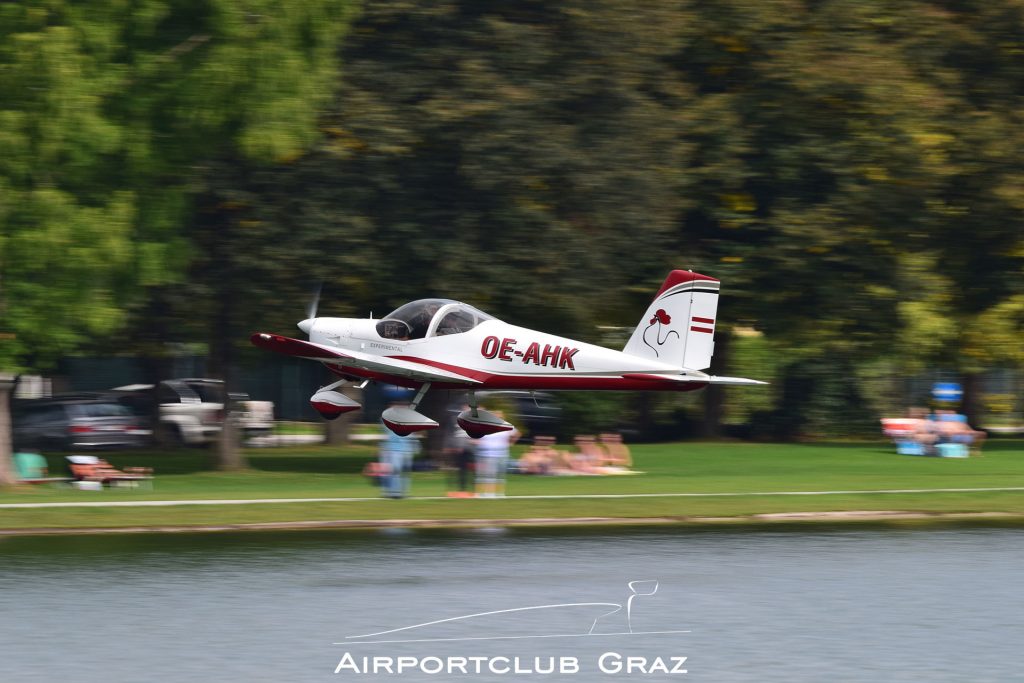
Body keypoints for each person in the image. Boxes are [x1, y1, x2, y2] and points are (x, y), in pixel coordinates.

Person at [474, 410, 519, 497]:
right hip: (486, 454)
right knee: (484, 474)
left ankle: (498, 493)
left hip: (501, 453)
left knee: (499, 474)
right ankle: (480, 493)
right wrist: (477, 442)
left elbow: (517, 434)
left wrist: (511, 442)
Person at [378, 410, 420, 498]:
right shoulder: (387, 422)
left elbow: (413, 436)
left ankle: (402, 492)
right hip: (394, 450)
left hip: (405, 450)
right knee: (393, 472)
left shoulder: (409, 422)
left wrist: (416, 447)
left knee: (404, 473)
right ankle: (392, 492)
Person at [445, 404, 475, 497]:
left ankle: (471, 489)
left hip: (470, 448)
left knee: (471, 470)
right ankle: (461, 490)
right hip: (460, 449)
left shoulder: (474, 420)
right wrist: (451, 446)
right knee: (461, 470)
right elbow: (452, 434)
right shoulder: (457, 420)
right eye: (465, 408)